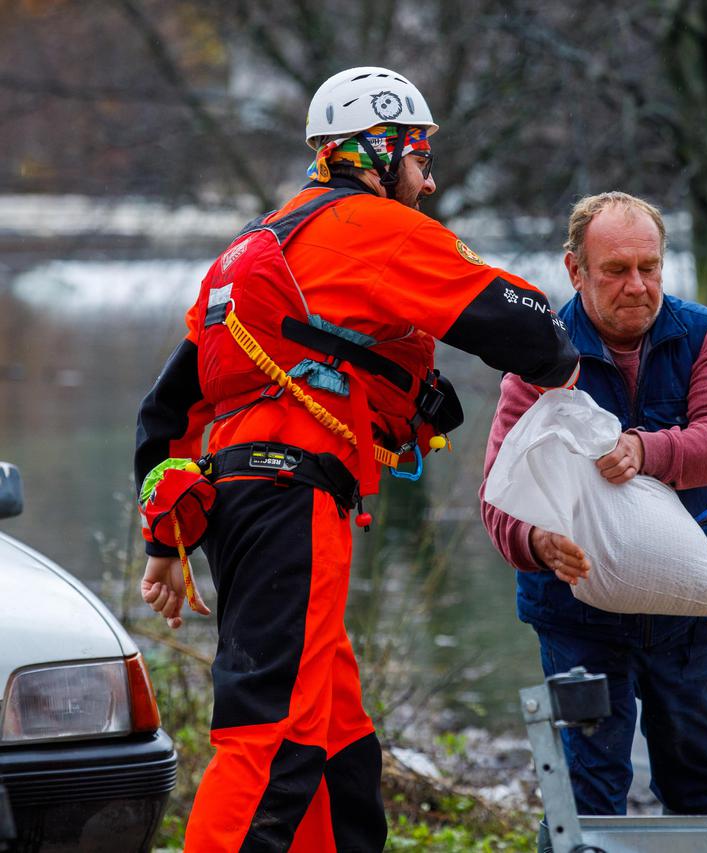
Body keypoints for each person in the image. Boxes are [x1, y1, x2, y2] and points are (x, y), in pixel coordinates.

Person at [134, 66, 578, 851]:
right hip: (291, 502)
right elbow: (513, 321)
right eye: (420, 159)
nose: (429, 182)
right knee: (269, 737)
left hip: (242, 504)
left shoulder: (252, 248)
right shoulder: (372, 228)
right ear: (378, 150)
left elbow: (167, 409)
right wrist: (564, 362)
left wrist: (163, 548)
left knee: (338, 743)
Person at [480, 192, 707, 818]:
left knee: (700, 780)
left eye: (649, 268)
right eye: (615, 270)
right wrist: (538, 544)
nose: (637, 286)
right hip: (575, 616)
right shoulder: (539, 356)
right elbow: (499, 495)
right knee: (587, 794)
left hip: (681, 608)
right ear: (575, 270)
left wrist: (644, 451)